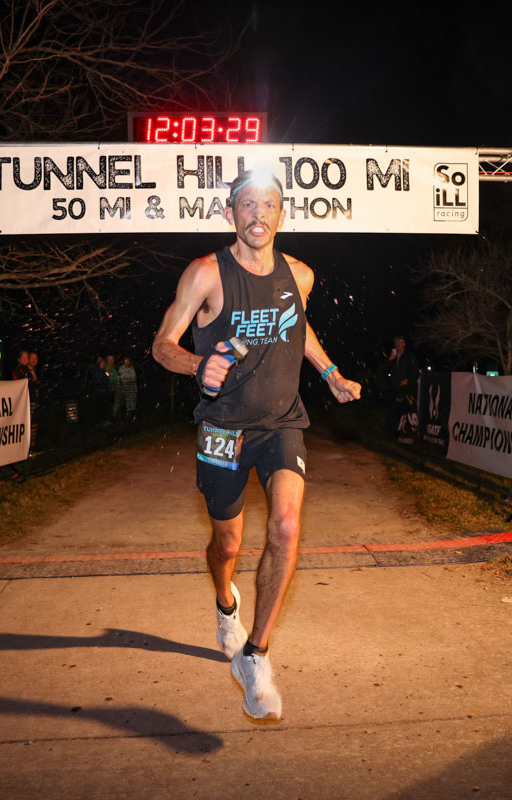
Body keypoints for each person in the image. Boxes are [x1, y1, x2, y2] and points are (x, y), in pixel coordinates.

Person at [152, 169, 361, 721]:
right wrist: (200, 364)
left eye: (268, 204)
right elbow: (161, 345)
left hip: (281, 422)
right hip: (222, 429)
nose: (258, 214)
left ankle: (256, 654)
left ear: (280, 214)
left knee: (287, 526)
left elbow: (300, 326)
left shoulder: (301, 275)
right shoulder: (204, 274)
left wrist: (330, 371)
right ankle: (226, 605)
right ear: (230, 214)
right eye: (247, 204)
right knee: (227, 543)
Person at [385, 335, 419, 438]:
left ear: (404, 344)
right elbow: (385, 370)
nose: (397, 344)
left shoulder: (409, 356)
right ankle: (392, 431)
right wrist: (389, 360)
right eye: (395, 342)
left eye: (399, 342)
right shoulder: (393, 357)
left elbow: (415, 370)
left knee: (403, 408)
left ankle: (403, 431)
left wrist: (408, 379)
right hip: (394, 386)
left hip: (405, 387)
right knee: (393, 408)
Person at [116, 356, 138, 421]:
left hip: (131, 389)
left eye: (127, 361)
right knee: (124, 403)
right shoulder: (121, 368)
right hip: (124, 389)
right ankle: (123, 416)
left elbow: (133, 378)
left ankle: (131, 415)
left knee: (131, 403)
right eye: (125, 361)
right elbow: (120, 377)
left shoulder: (132, 368)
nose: (126, 363)